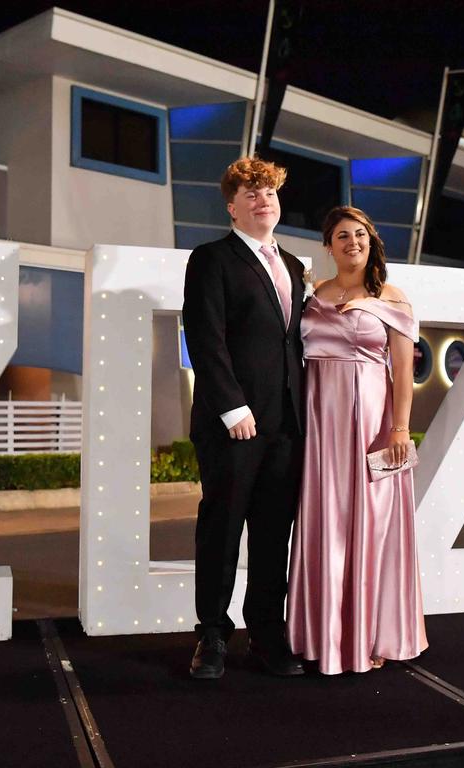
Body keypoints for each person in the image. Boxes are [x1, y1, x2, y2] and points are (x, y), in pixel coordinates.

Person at [286, 205, 427, 675]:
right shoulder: (312, 296)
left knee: (371, 523)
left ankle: (371, 634)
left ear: (372, 242)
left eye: (361, 234)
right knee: (326, 524)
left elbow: (403, 373)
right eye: (343, 235)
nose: (353, 242)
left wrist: (400, 429)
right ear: (329, 246)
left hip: (371, 421)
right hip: (320, 424)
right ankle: (321, 636)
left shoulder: (392, 297)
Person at [182, 157, 306, 679]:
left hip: (286, 427)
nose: (263, 200)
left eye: (269, 193)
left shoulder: (296, 268)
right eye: (251, 194)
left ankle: (265, 633)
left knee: (275, 533)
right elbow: (204, 338)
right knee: (222, 528)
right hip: (233, 422)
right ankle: (212, 635)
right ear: (231, 206)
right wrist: (233, 406)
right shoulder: (211, 259)